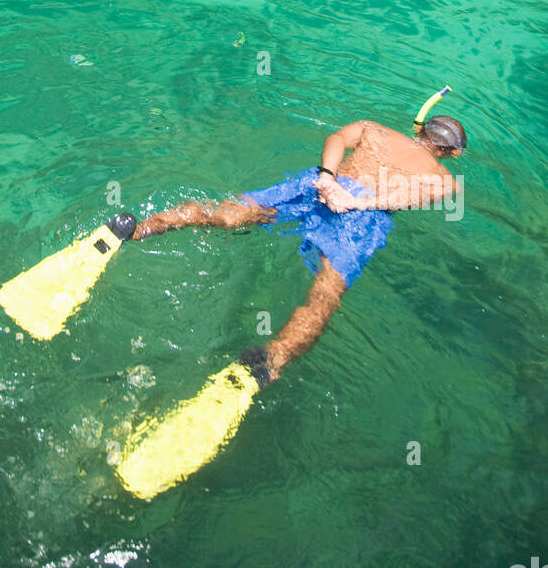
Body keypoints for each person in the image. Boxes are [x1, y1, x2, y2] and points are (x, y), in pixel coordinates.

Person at [130, 115, 466, 386]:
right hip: (362, 217)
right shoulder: (446, 180)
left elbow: (335, 140)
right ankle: (271, 359)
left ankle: (145, 226)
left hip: (318, 187)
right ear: (453, 153)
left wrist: (328, 178)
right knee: (327, 291)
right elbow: (410, 197)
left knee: (235, 212)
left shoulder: (373, 129)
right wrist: (356, 202)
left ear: (419, 128)